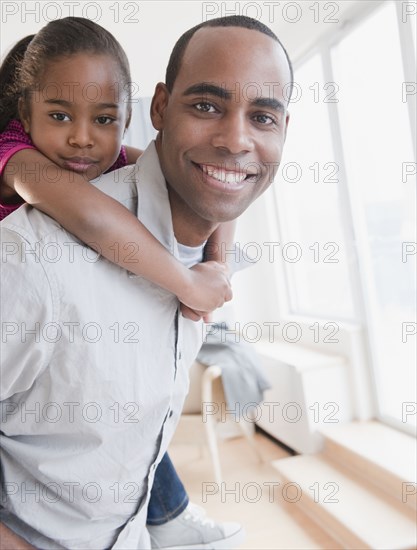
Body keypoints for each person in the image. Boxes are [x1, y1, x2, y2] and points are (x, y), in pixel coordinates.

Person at [0, 14, 292, 549]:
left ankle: (168, 516)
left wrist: (216, 268)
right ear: (158, 110)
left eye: (263, 117)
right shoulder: (29, 246)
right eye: (206, 105)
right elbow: (87, 214)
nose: (234, 139)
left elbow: (219, 174)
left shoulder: (165, 182)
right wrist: (186, 280)